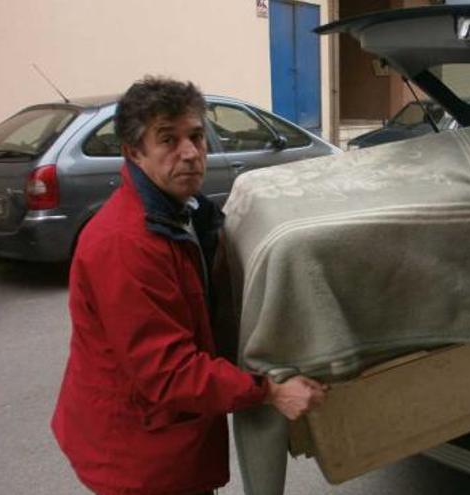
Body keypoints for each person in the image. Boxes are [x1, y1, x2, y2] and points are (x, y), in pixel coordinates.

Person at [51, 76, 326, 495]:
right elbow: (169, 372)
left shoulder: (184, 213)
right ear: (133, 152)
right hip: (137, 456)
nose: (191, 153)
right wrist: (268, 391)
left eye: (196, 136)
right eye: (168, 139)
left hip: (165, 439)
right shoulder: (126, 245)